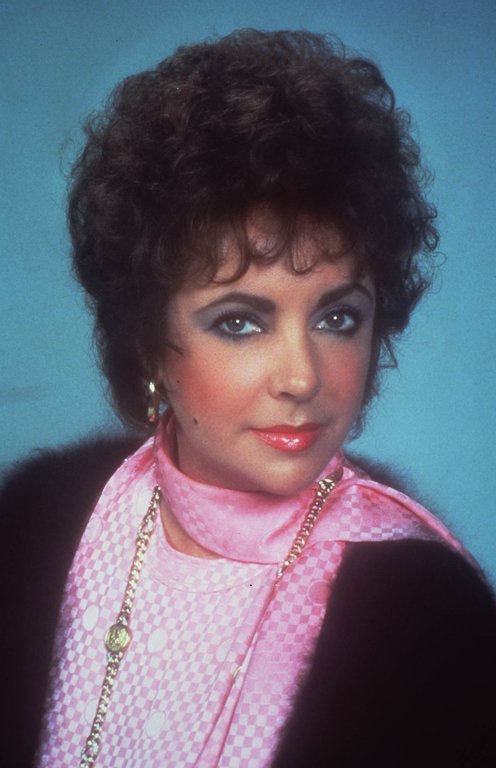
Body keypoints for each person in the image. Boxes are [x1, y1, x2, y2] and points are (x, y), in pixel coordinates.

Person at [1, 29, 495, 768]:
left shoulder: (432, 617)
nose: (301, 377)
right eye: (240, 322)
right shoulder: (36, 522)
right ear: (148, 341)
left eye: (338, 318)